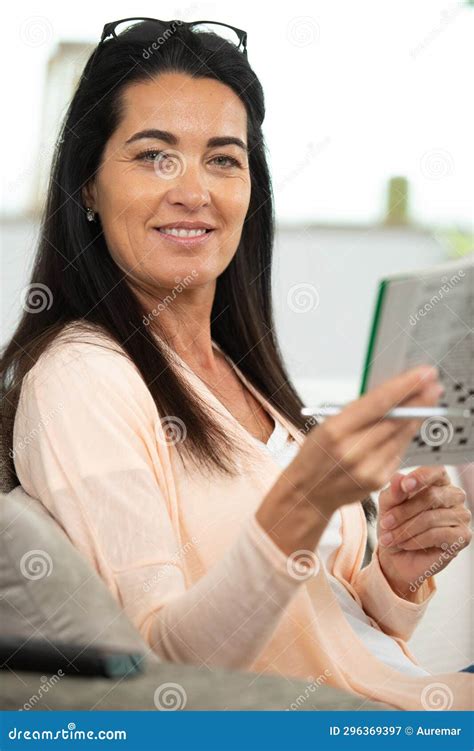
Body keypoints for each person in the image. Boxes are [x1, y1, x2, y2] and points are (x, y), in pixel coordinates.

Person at [2, 19, 472, 711]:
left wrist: (394, 578)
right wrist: (303, 500)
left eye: (223, 159)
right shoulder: (83, 379)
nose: (195, 191)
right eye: (155, 156)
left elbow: (327, 620)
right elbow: (169, 678)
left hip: (401, 698)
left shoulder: (243, 372)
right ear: (87, 188)